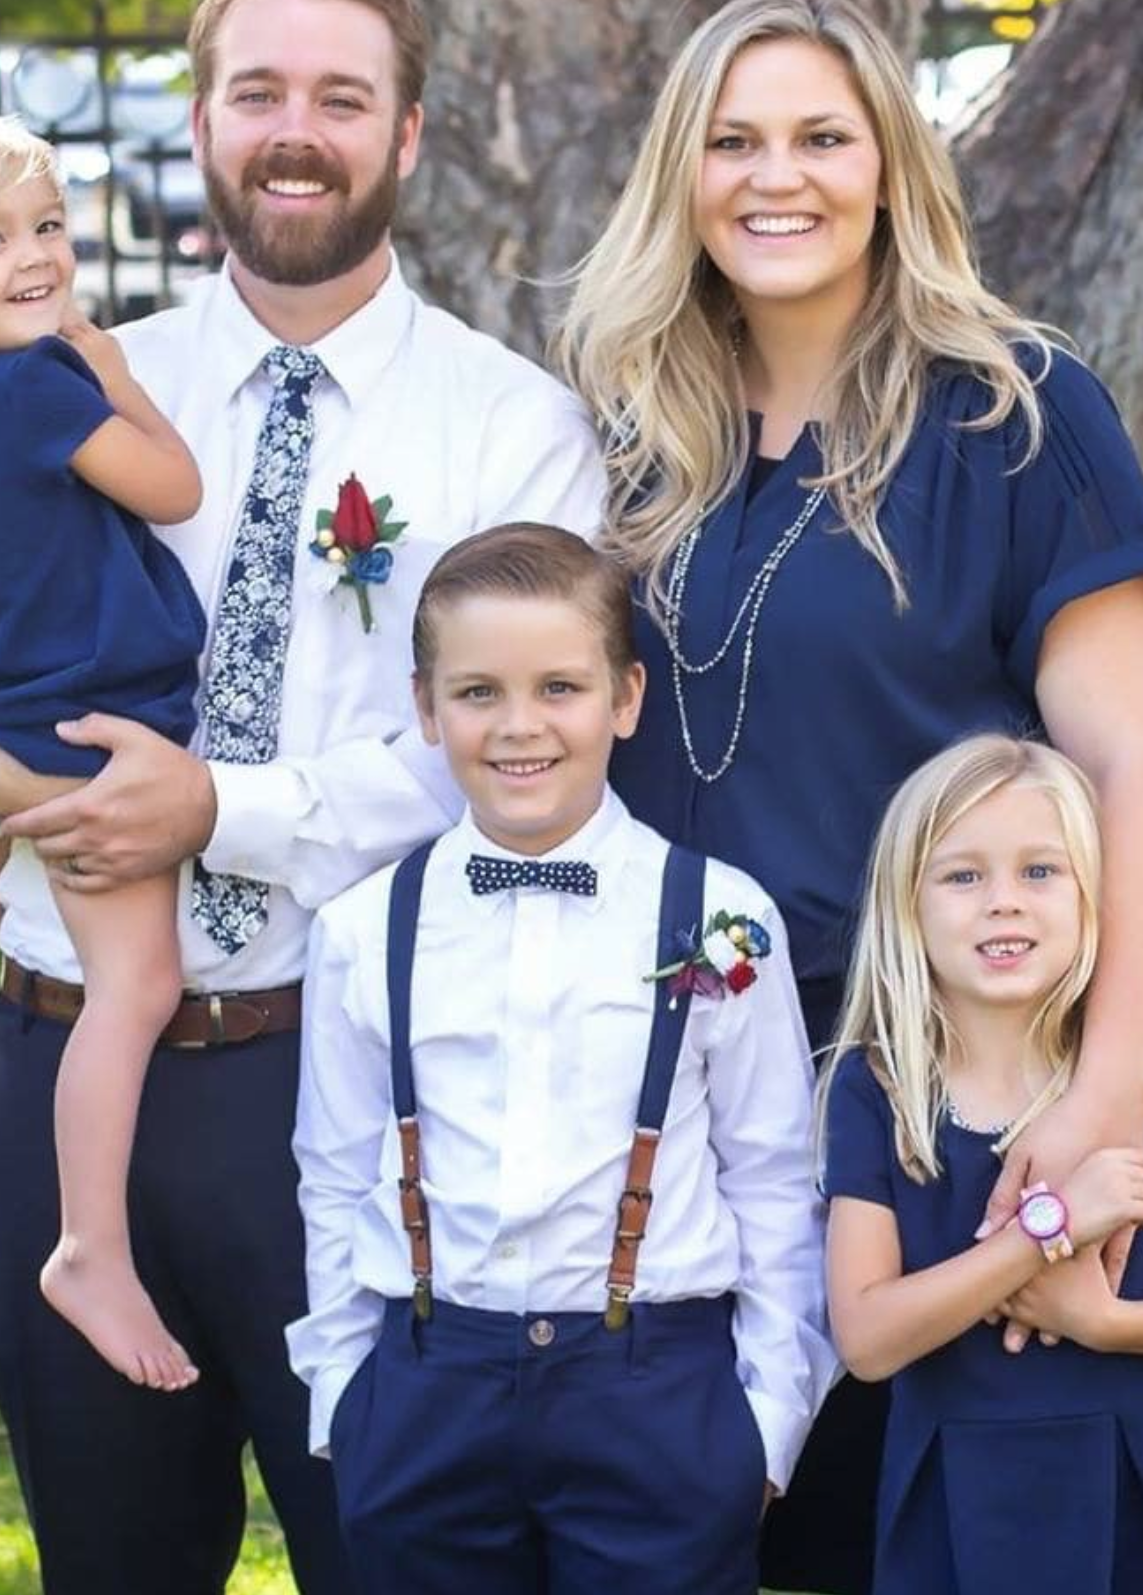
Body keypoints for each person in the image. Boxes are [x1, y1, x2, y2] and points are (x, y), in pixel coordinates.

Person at [0, 0, 604, 1595]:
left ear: (406, 136)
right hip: (65, 1065)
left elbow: (517, 757)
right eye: (259, 93)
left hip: (367, 1081)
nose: (294, 132)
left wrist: (218, 808)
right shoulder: (69, 382)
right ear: (200, 120)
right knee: (112, 1563)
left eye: (340, 97)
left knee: (393, 1550)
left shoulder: (508, 427)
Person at [553, 0, 1143, 1593]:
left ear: (891, 165)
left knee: (901, 1542)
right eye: (734, 139)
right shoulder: (627, 431)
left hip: (914, 1102)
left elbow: (1124, 767)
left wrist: (1096, 1100)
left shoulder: (1016, 412)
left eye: (823, 136)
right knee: (681, 1534)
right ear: (679, 178)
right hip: (666, 1100)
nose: (780, 176)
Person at [288, 522, 835, 1595]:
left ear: (625, 699)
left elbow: (772, 1175)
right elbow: (337, 1172)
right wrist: (346, 1397)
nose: (520, 724)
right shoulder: (362, 928)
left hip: (657, 1392)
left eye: (559, 687)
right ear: (425, 706)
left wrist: (766, 1422)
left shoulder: (722, 913)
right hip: (427, 1382)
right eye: (479, 691)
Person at [821, 733, 1143, 1593]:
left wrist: (1110, 1323)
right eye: (963, 875)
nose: (1004, 903)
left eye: (1040, 871)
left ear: (1093, 894)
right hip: (950, 1508)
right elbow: (869, 1337)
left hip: (1128, 1496)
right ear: (907, 903)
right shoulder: (876, 1088)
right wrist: (1046, 1230)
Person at [0, 117, 206, 1392]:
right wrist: (112, 370)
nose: (35, 257)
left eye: (48, 226)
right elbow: (172, 488)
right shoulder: (39, 385)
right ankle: (87, 1246)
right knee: (139, 982)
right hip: (89, 722)